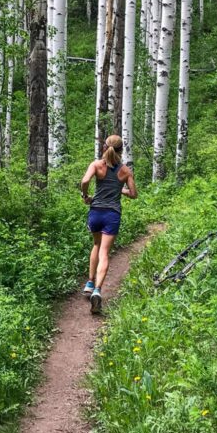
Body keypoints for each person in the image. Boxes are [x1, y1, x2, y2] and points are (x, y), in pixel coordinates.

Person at [80, 134, 138, 313]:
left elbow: (85, 181)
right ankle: (97, 290)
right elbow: (134, 194)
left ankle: (90, 283)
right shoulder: (125, 171)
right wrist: (121, 190)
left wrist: (85, 196)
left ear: (104, 147)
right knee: (104, 252)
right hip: (112, 215)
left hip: (96, 212)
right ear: (121, 150)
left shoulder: (97, 165)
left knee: (96, 245)